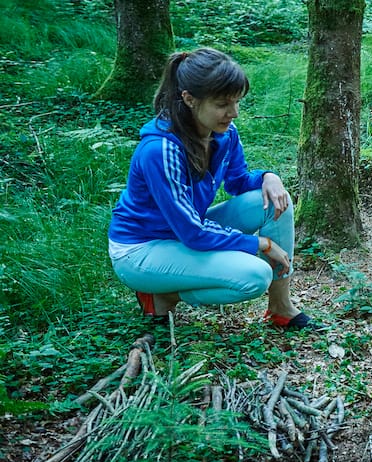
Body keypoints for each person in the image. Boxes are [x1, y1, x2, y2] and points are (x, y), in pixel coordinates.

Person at [108, 47, 320, 331]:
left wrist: (270, 177)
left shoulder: (224, 133)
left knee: (273, 201)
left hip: (183, 232)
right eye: (222, 104)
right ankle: (162, 295)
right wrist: (260, 244)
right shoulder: (160, 150)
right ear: (189, 99)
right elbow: (193, 233)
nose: (233, 113)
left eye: (236, 102)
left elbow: (238, 182)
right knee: (255, 275)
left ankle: (281, 307)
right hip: (142, 249)